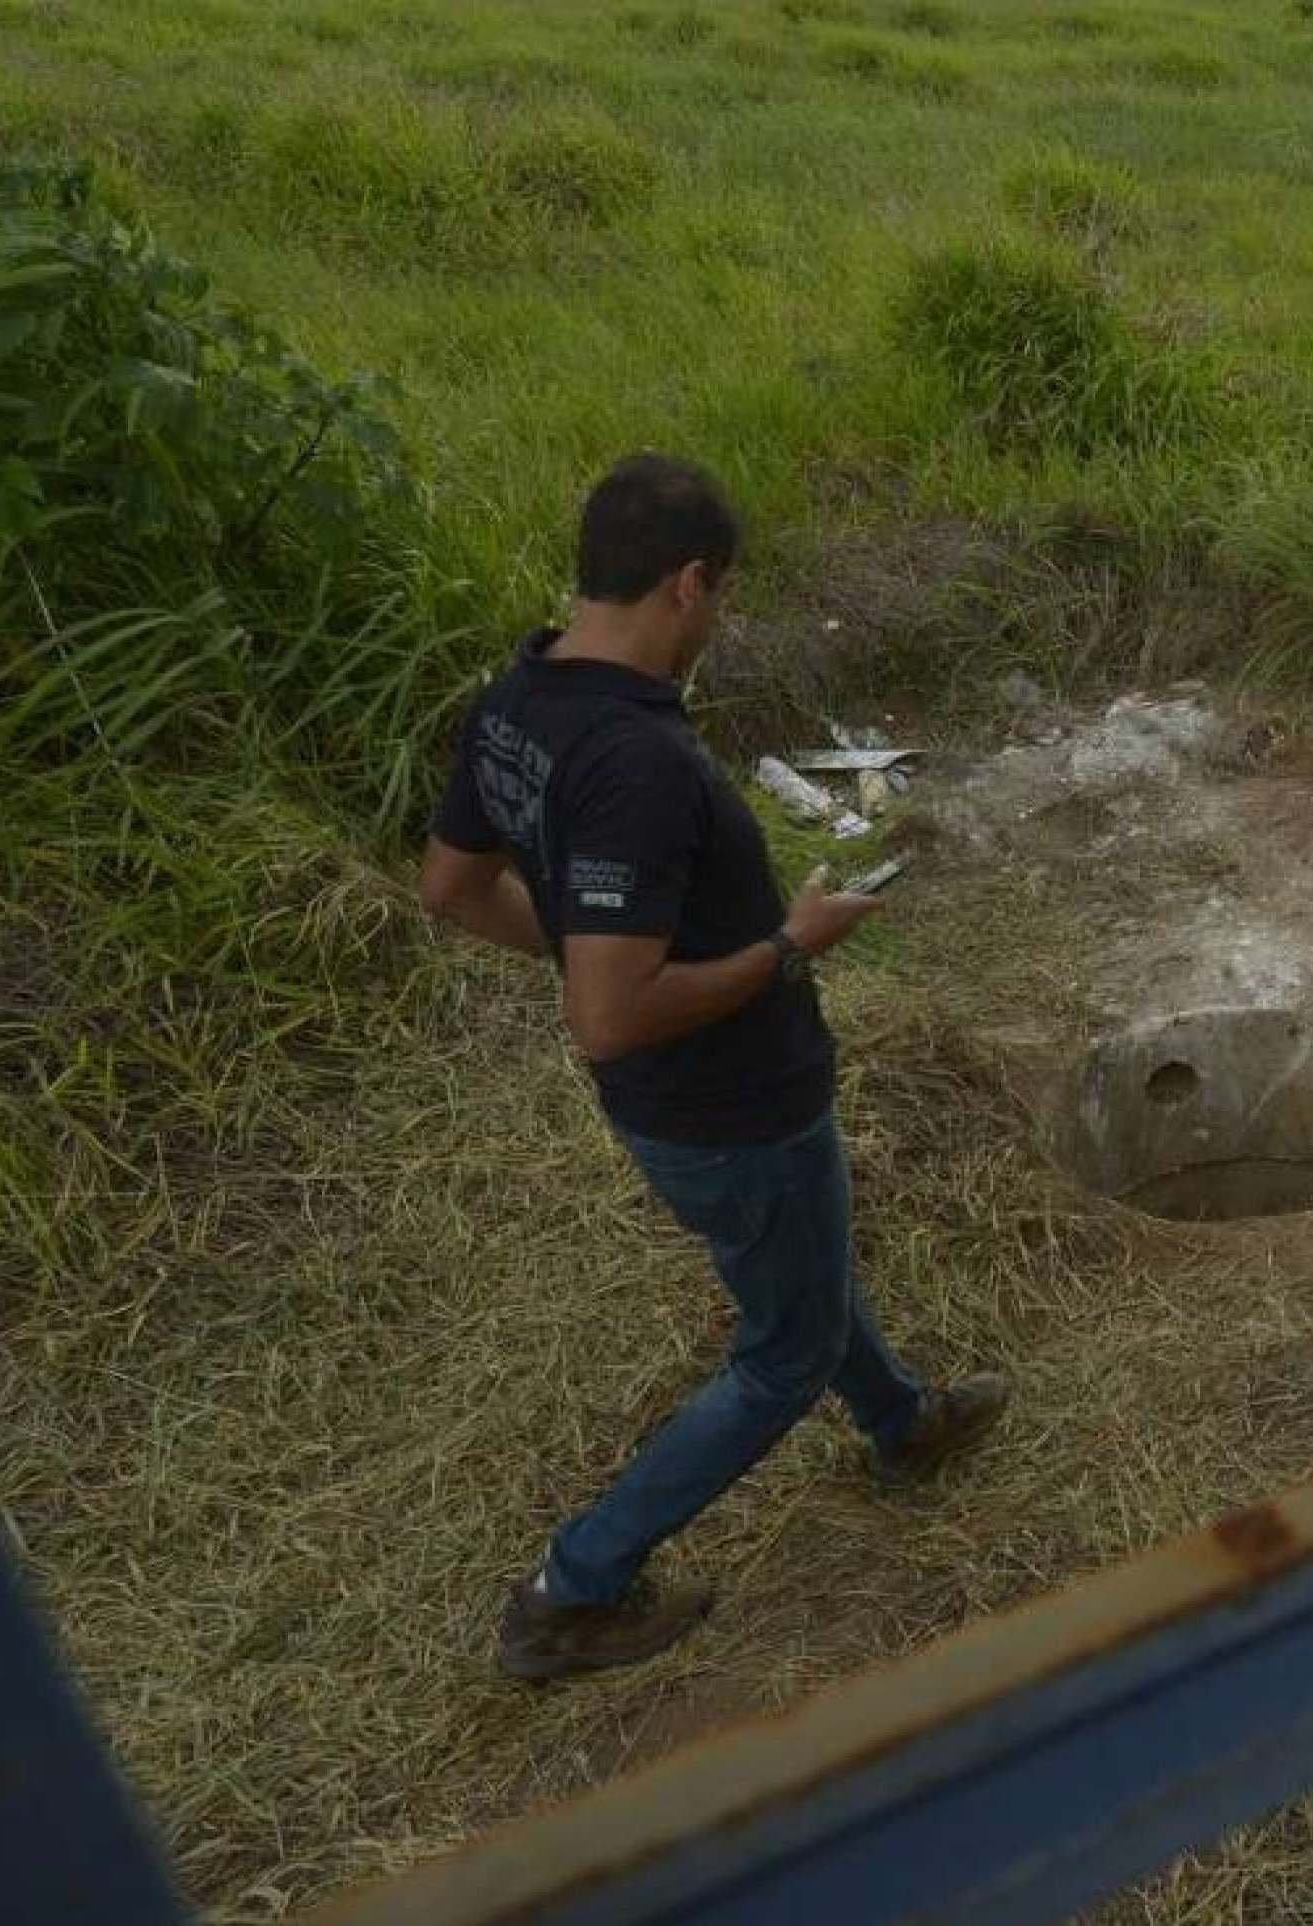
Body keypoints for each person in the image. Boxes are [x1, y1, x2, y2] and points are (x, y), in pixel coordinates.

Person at [419, 453, 1008, 1681]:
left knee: (806, 1267)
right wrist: (787, 943)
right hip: (732, 1110)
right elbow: (610, 1017)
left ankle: (903, 1422)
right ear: (687, 584)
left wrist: (593, 958)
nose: (720, 619)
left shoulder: (517, 703)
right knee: (782, 1354)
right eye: (722, 595)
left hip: (687, 1110)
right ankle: (574, 1589)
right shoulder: (637, 762)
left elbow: (454, 887)